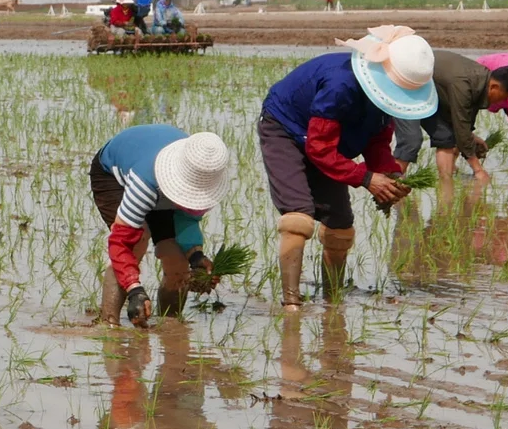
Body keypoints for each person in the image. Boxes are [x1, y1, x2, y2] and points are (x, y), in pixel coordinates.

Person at [260, 25, 437, 307]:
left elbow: (377, 141)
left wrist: (388, 173)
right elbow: (318, 148)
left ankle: (332, 300)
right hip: (287, 128)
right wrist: (366, 179)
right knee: (298, 218)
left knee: (341, 227)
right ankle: (291, 304)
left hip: (328, 141)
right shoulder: (340, 85)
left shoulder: (383, 101)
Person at [90, 125, 232, 327]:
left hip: (162, 179)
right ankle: (109, 324)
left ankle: (170, 325)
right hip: (113, 175)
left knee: (176, 259)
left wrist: (195, 255)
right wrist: (135, 289)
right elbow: (120, 243)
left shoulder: (204, 176)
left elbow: (188, 217)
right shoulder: (143, 184)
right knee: (136, 242)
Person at [393, 50, 508, 182]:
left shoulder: (482, 80)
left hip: (426, 91)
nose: (502, 102)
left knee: (445, 137)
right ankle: (393, 184)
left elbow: (464, 118)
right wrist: (478, 170)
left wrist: (471, 136)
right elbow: (460, 123)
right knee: (411, 140)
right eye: (504, 97)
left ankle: (446, 185)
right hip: (404, 84)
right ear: (494, 87)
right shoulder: (464, 84)